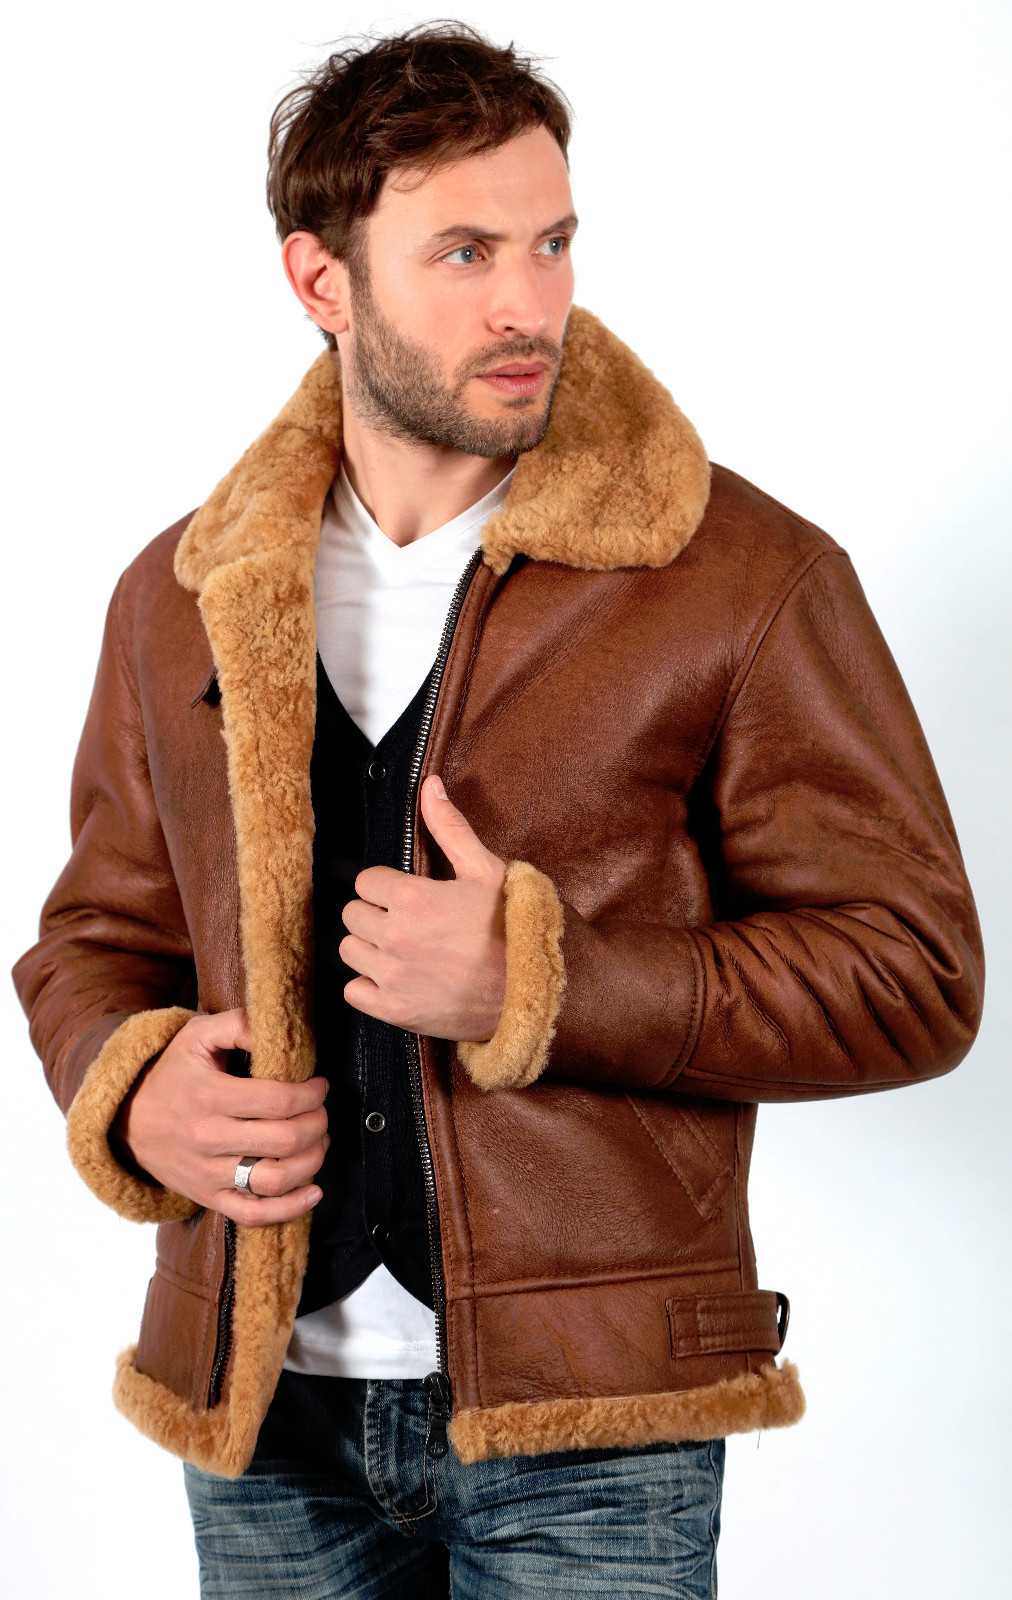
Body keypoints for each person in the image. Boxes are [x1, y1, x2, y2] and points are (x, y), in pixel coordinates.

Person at [13, 21, 984, 1600]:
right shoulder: (184, 593)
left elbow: (914, 974)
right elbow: (92, 941)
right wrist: (129, 1092)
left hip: (596, 1427)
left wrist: (546, 981)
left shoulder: (741, 578)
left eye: (552, 243)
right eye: (464, 252)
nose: (531, 302)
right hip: (264, 1425)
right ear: (321, 283)